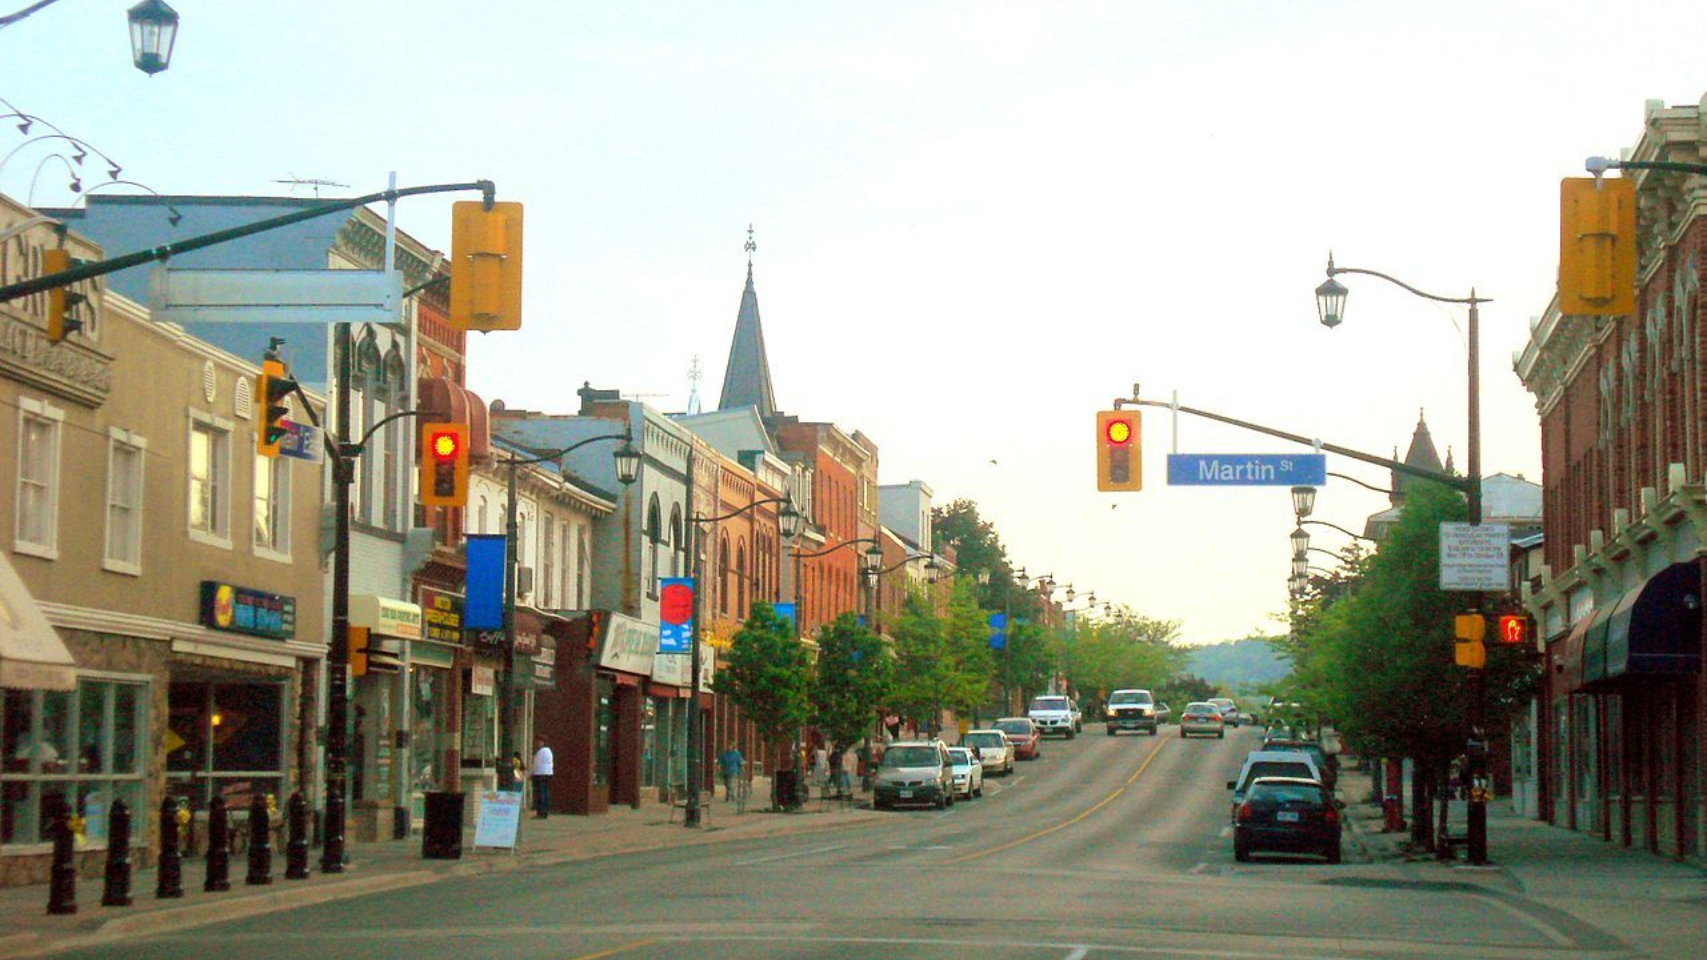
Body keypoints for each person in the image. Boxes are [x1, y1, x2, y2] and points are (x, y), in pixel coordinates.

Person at [530, 735, 554, 818]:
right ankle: (544, 811)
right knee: (545, 793)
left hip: (540, 775)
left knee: (540, 794)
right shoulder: (549, 751)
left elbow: (536, 764)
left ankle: (541, 811)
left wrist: (531, 773)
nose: (537, 743)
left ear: (543, 742)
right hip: (547, 774)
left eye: (539, 741)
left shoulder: (541, 752)